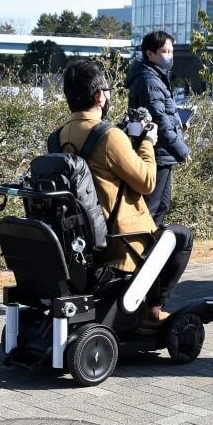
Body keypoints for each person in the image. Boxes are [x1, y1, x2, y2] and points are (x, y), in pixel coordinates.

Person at [58, 60, 193, 325]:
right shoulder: (108, 136)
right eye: (107, 91)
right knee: (181, 237)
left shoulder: (58, 137)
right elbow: (146, 181)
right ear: (99, 96)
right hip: (120, 243)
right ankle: (152, 312)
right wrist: (146, 142)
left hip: (79, 243)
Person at [126, 30, 191, 225]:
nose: (169, 56)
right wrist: (181, 149)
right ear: (150, 53)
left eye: (171, 51)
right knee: (152, 207)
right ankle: (143, 250)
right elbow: (158, 120)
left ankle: (154, 248)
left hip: (162, 152)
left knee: (161, 205)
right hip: (155, 152)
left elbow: (164, 114)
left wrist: (180, 123)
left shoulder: (156, 77)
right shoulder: (149, 80)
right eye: (164, 51)